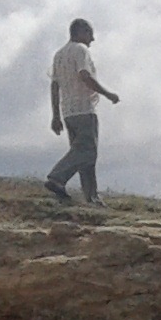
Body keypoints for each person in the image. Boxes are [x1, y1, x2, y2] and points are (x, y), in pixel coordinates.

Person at [45, 18, 120, 204]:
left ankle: (91, 197)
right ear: (81, 32)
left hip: (68, 111)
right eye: (90, 34)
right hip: (84, 109)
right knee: (86, 151)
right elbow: (84, 75)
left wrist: (56, 115)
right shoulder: (80, 50)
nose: (92, 39)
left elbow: (54, 86)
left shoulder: (59, 55)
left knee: (85, 155)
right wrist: (107, 94)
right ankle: (57, 177)